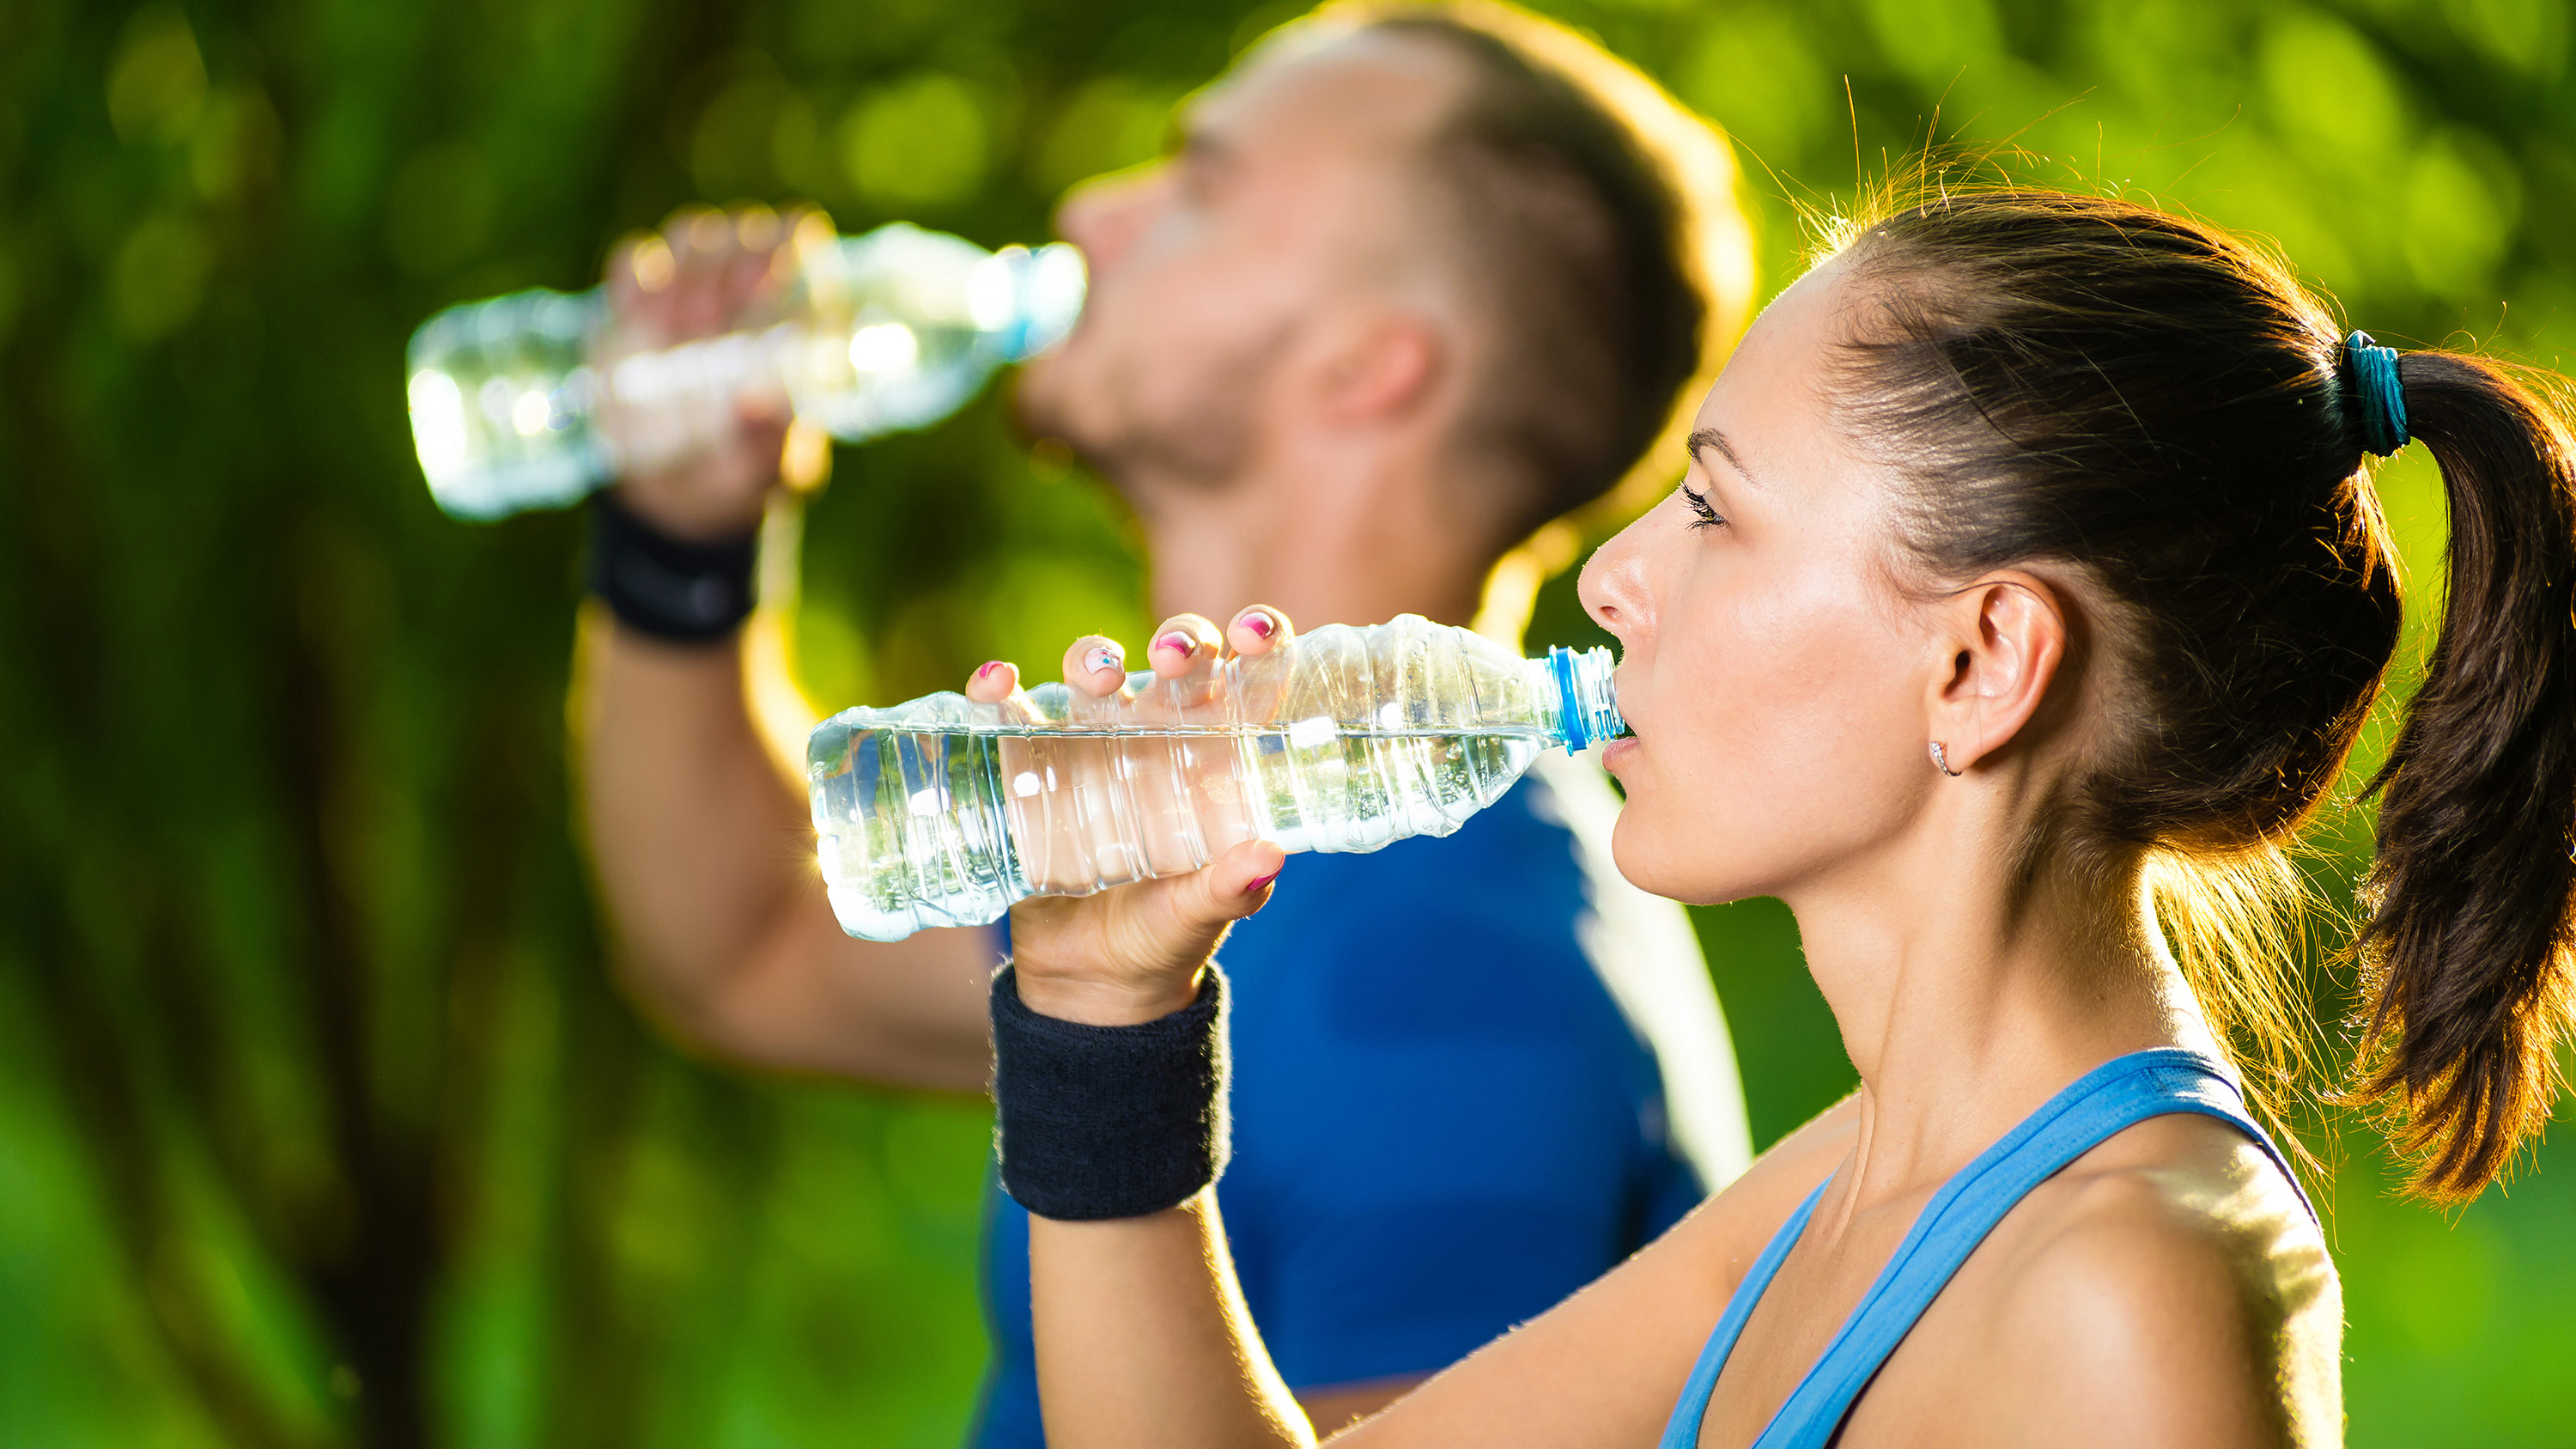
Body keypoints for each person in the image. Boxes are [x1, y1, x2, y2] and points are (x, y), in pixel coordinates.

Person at [977, 180, 2576, 1446]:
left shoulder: (2127, 1290)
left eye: (1715, 511)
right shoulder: (1865, 1180)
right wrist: (1103, 1011)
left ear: (1982, 663)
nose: (1614, 579)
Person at [570, 3, 1760, 1440]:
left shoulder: (1448, 982)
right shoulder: (1241, 837)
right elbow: (744, 949)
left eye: (1199, 182)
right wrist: (683, 545)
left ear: (1367, 362)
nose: (1090, 208)